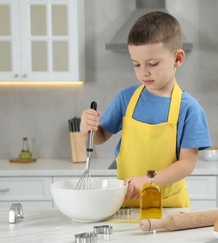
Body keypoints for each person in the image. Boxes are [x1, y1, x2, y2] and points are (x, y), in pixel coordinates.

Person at [80, 11, 211, 208]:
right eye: (136, 64)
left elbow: (187, 164)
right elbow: (99, 136)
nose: (144, 72)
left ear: (177, 59)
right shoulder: (126, 99)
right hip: (126, 205)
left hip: (169, 208)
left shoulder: (189, 109)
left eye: (152, 63)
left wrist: (149, 181)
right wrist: (86, 129)